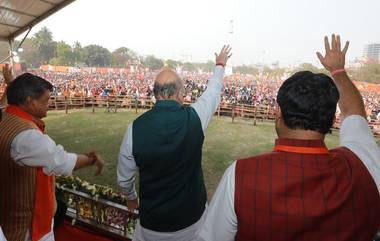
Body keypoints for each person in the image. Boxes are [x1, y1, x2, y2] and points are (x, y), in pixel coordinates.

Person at [198, 35, 380, 241]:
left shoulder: (240, 175)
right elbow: (354, 110)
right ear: (331, 120)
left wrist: (337, 70)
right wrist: (338, 70)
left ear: (278, 113)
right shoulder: (364, 162)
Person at [117, 46, 232, 241]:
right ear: (179, 93)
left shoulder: (134, 129)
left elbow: (124, 178)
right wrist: (220, 64)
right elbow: (213, 92)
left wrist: (131, 198)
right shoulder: (195, 118)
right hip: (192, 223)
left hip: (151, 227)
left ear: (155, 94)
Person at [0, 70, 106, 241]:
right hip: (26, 229)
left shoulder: (6, 117)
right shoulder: (26, 136)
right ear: (29, 101)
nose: (49, 103)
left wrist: (12, 85)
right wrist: (91, 159)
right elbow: (61, 162)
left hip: (10, 218)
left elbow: (5, 104)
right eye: (46, 99)